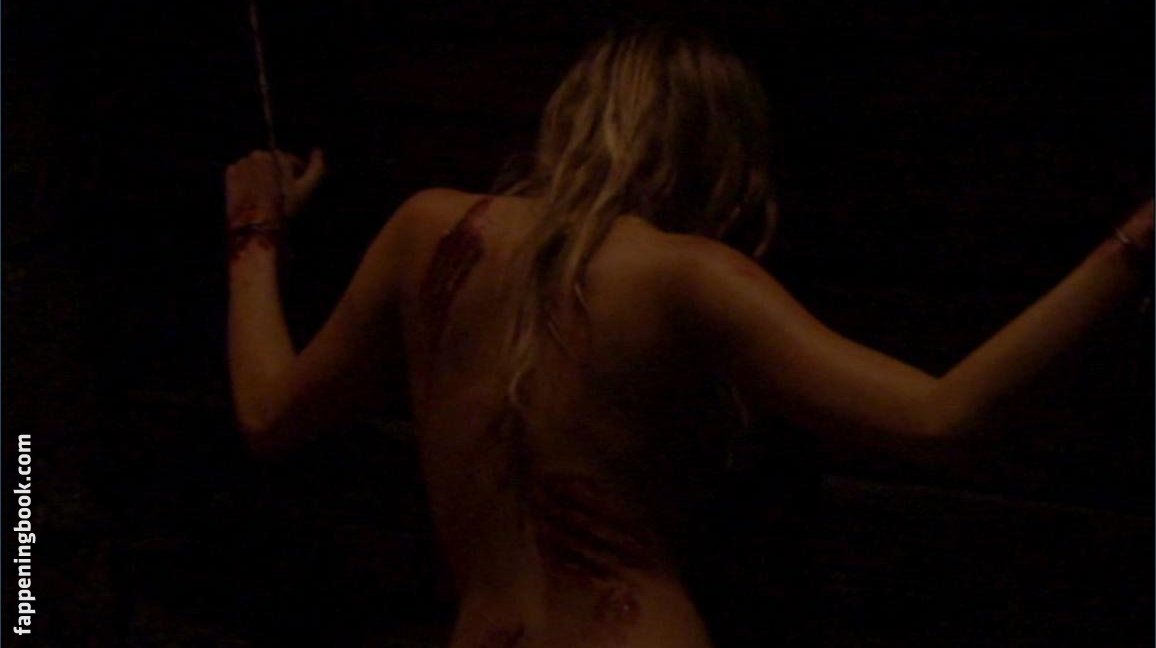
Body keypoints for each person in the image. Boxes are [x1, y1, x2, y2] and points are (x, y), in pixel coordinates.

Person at [224, 26, 1152, 648]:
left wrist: (254, 233)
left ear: (572, 115)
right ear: (717, 148)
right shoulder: (686, 275)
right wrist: (1133, 248)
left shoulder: (425, 228)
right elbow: (940, 416)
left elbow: (267, 414)